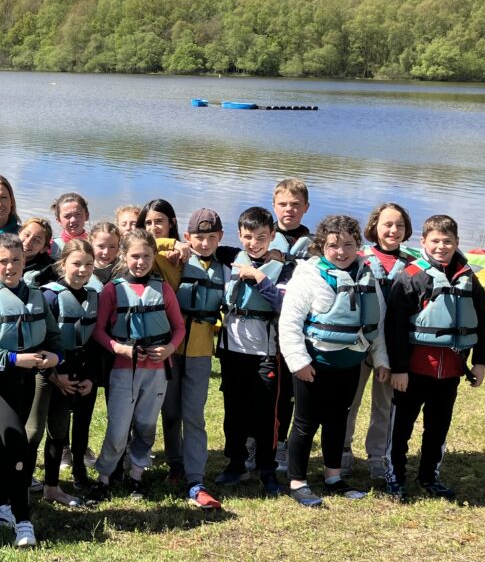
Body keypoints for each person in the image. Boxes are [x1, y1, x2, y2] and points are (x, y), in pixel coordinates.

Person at [277, 215, 390, 508]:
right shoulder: (308, 276)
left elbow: (376, 324)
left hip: (350, 364)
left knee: (337, 420)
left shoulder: (367, 276)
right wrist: (298, 361)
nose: (341, 252)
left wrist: (381, 360)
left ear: (358, 246)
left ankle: (333, 476)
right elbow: (289, 323)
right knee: (305, 423)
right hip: (314, 364)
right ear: (321, 247)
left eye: (349, 245)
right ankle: (298, 481)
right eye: (333, 246)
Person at [384, 215, 485, 501]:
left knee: (438, 427)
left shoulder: (469, 279)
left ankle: (429, 475)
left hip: (450, 373)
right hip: (413, 371)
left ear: (457, 243)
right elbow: (395, 327)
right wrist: (399, 368)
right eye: (435, 241)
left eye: (448, 241)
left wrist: (481, 361)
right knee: (401, 428)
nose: (441, 246)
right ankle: (395, 475)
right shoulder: (411, 277)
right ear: (423, 242)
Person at [0, 233, 62, 548]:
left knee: (9, 446)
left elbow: (53, 335)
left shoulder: (36, 295)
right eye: (3, 261)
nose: (10, 267)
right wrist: (13, 359)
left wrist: (54, 356)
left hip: (29, 382)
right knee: (17, 441)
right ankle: (22, 519)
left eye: (16, 260)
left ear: (24, 261)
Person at [87, 229, 185, 502]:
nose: (140, 262)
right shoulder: (112, 290)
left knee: (145, 425)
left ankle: (137, 477)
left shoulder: (163, 289)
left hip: (157, 371)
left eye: (146, 256)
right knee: (118, 428)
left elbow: (179, 328)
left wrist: (169, 349)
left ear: (154, 257)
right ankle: (104, 477)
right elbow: (98, 330)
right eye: (135, 256)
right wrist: (119, 348)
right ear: (124, 257)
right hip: (123, 369)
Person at [214, 208, 290, 497]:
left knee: (265, 413)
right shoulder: (230, 258)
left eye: (261, 237)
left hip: (265, 351)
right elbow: (200, 246)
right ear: (239, 236)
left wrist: (258, 276)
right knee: (234, 410)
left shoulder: (283, 267)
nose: (254, 243)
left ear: (272, 235)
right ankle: (235, 463)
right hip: (233, 349)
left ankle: (267, 469)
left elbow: (282, 304)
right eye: (248, 237)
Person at [164, 208, 237, 510]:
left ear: (220, 237)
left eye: (211, 238)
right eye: (198, 238)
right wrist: (174, 246)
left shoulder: (226, 267)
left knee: (193, 414)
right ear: (187, 236)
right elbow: (140, 242)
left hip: (199, 352)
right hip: (170, 349)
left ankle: (196, 479)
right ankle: (175, 463)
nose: (204, 243)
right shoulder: (177, 261)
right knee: (170, 412)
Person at [29, 239, 111, 504]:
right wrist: (54, 375)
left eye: (89, 265)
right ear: (63, 264)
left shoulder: (93, 297)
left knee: (66, 428)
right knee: (36, 430)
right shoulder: (49, 296)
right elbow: (38, 340)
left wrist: (92, 377)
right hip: (49, 372)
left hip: (79, 372)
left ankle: (61, 480)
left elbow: (95, 342)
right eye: (76, 264)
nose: (82, 270)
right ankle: (23, 481)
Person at [342, 203, 415, 480]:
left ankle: (377, 455)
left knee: (384, 404)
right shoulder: (358, 259)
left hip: (393, 346)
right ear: (374, 226)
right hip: (359, 343)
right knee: (349, 401)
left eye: (399, 225)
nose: (393, 230)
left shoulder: (411, 266)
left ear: (406, 229)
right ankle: (342, 451)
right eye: (387, 224)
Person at [19, 216, 59, 284]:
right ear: (19, 232)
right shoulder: (3, 256)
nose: (28, 242)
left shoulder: (49, 271)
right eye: (27, 235)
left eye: (36, 240)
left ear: (44, 248)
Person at [88, 221, 120, 287]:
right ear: (91, 244)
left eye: (112, 247)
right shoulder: (83, 270)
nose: (106, 252)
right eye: (101, 246)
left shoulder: (123, 271)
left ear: (118, 247)